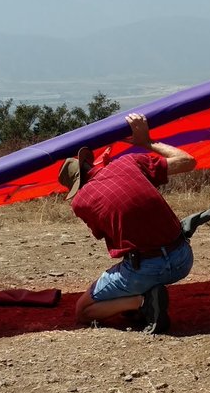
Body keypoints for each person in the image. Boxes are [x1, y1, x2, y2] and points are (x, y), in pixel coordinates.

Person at [60, 113, 197, 334]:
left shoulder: (81, 202)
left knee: (83, 310)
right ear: (90, 162)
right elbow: (188, 161)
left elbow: (106, 234)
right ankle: (143, 300)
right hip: (183, 259)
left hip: (146, 269)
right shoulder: (129, 162)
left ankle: (142, 302)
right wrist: (147, 142)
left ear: (75, 186)